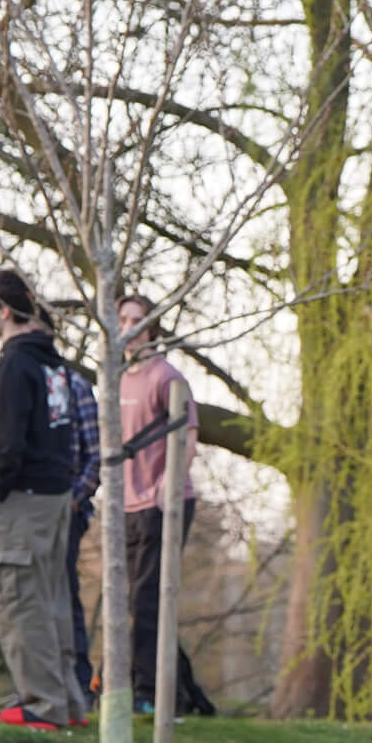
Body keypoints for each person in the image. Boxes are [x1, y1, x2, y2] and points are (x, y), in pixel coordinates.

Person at [0, 269, 84, 729]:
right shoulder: (53, 362)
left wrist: (0, 485)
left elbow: (10, 439)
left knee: (18, 596)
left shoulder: (15, 362)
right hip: (57, 493)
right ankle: (70, 702)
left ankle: (42, 704)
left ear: (3, 310)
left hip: (23, 497)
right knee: (51, 598)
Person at [115, 294, 210, 715]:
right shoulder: (118, 379)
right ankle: (188, 697)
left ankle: (150, 693)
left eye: (138, 321)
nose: (130, 329)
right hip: (126, 504)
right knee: (131, 601)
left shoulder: (168, 377)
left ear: (151, 328)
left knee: (148, 600)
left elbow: (187, 442)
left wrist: (164, 486)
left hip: (163, 504)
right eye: (123, 321)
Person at [64, 360, 102, 709]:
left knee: (66, 594)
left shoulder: (75, 385)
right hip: (33, 511)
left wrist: (74, 501)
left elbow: (96, 457)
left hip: (67, 512)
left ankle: (78, 685)